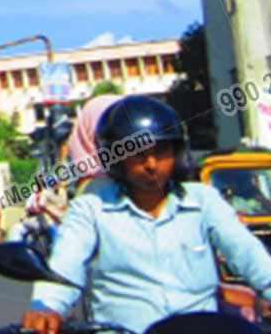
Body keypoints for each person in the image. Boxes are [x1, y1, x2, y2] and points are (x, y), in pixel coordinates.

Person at [22, 95, 271, 334]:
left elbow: (247, 252)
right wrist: (46, 307)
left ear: (177, 152)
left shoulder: (202, 200)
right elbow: (66, 263)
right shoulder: (91, 207)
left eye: (161, 151)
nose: (151, 164)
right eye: (138, 153)